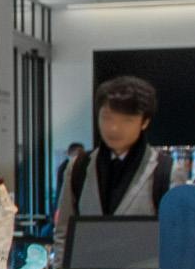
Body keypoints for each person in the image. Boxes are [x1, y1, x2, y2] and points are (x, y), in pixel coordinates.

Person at [56, 75, 168, 221]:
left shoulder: (164, 170)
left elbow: (175, 234)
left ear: (144, 122)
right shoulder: (78, 167)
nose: (114, 128)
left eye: (126, 121)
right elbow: (64, 230)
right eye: (107, 118)